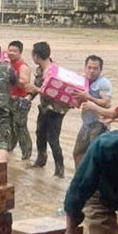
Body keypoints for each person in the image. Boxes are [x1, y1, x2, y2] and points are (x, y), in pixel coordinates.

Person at [28, 41, 69, 178]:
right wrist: (28, 97)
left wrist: (36, 89)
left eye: (33, 54)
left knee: (53, 139)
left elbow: (52, 93)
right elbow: (36, 87)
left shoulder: (54, 71)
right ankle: (41, 161)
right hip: (44, 107)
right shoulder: (40, 70)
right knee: (40, 133)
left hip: (56, 110)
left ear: (36, 56)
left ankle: (60, 170)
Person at [71, 55, 113, 167]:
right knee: (77, 153)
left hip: (99, 125)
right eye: (89, 68)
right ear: (85, 68)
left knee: (96, 157)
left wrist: (89, 97)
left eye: (95, 68)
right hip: (86, 123)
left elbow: (107, 103)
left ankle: (95, 177)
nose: (91, 71)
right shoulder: (83, 81)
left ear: (101, 70)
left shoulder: (103, 83)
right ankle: (80, 176)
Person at [6, 40, 33, 162]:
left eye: (14, 51)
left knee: (20, 128)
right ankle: (9, 149)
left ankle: (26, 155)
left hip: (21, 101)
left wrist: (11, 74)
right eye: (10, 50)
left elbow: (24, 82)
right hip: (9, 100)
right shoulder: (8, 64)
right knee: (10, 126)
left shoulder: (23, 66)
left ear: (20, 52)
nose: (11, 53)